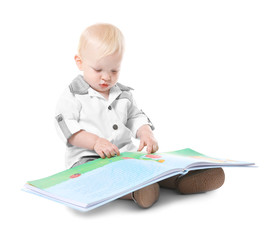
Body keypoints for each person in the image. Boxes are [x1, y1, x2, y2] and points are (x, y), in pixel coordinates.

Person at [55, 23, 225, 209]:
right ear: (79, 62)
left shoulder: (123, 94)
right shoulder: (72, 96)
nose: (106, 77)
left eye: (114, 70)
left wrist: (145, 133)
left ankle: (182, 179)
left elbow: (135, 116)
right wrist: (95, 142)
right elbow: (68, 129)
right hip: (89, 158)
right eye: (98, 70)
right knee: (103, 176)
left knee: (151, 165)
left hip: (125, 154)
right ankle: (136, 191)